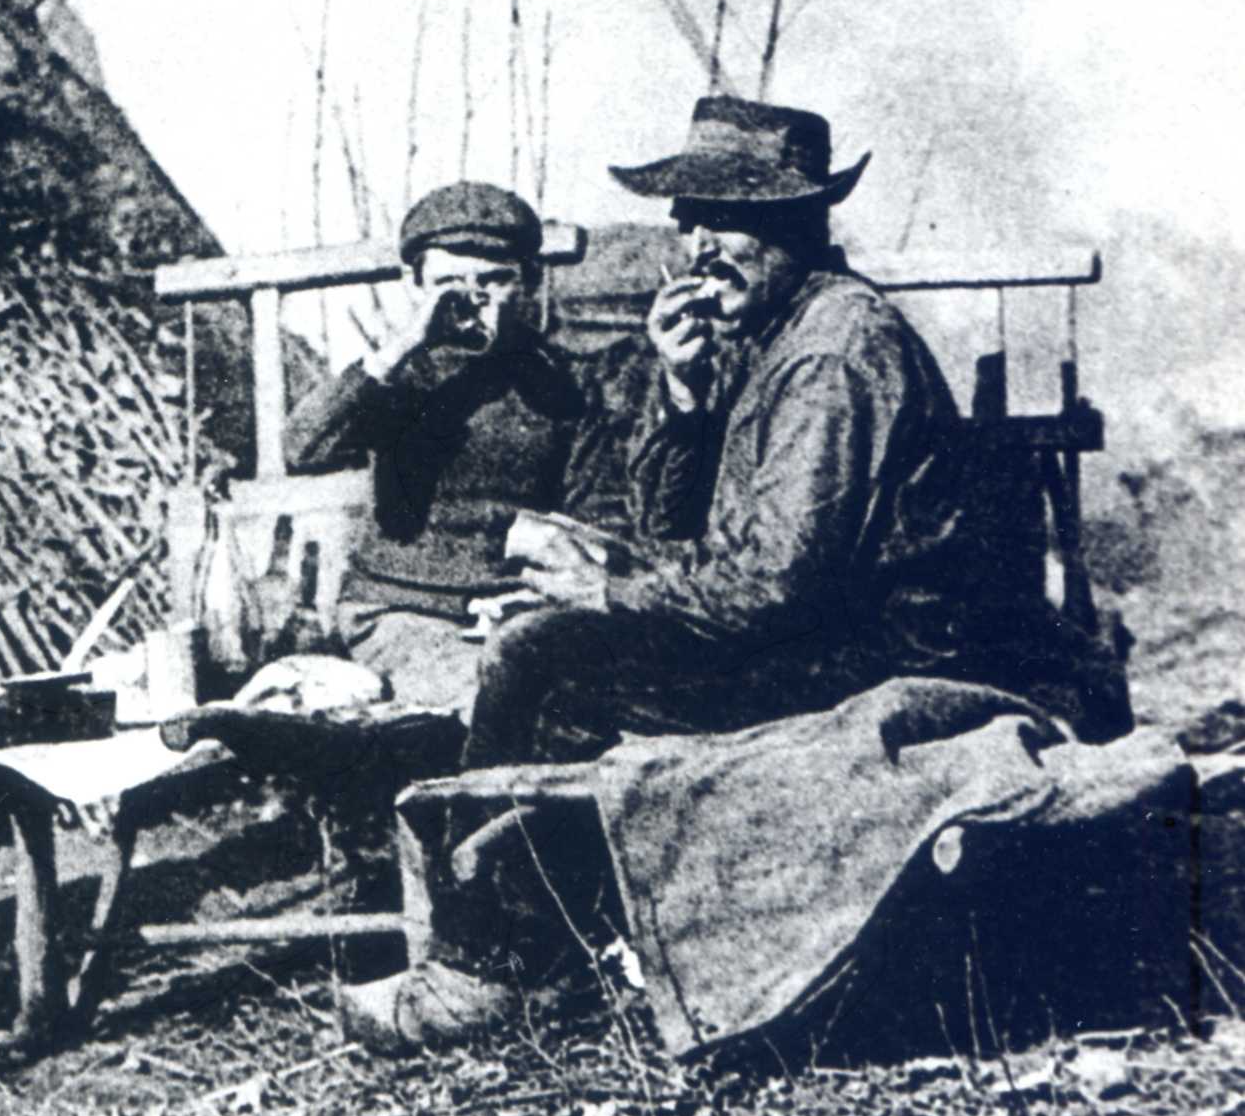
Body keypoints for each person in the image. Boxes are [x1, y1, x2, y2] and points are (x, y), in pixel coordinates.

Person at [340, 94, 1121, 1051]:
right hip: (815, 623)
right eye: (689, 223)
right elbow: (686, 529)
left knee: (544, 661)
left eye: (733, 225)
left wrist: (608, 592)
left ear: (802, 228)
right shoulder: (768, 340)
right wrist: (677, 395)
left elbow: (772, 586)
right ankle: (524, 951)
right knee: (543, 644)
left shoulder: (832, 353)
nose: (700, 248)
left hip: (884, 641)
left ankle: (486, 971)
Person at [281, 180, 625, 715]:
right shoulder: (399, 376)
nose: (472, 299)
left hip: (524, 611)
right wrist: (404, 343)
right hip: (402, 612)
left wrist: (547, 591)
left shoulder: (562, 387)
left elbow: (597, 518)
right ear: (413, 284)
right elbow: (303, 448)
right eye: (447, 283)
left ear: (531, 281)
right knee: (499, 702)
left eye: (494, 280)